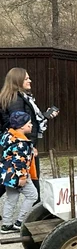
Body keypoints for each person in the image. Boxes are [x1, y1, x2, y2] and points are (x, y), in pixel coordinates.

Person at [1, 67, 58, 202]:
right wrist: (29, 145)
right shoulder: (16, 100)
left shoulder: (21, 97)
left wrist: (44, 116)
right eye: (26, 78)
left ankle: (35, 210)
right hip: (21, 145)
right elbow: (18, 125)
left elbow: (26, 121)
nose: (30, 80)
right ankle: (35, 215)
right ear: (17, 80)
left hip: (20, 144)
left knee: (11, 176)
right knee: (24, 177)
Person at [1, 111, 39, 233]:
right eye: (29, 123)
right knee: (33, 195)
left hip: (8, 175)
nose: (31, 125)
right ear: (22, 126)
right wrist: (22, 177)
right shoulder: (22, 143)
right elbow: (19, 161)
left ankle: (6, 224)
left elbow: (14, 153)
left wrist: (31, 150)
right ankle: (20, 222)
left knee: (11, 199)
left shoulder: (10, 137)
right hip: (18, 175)